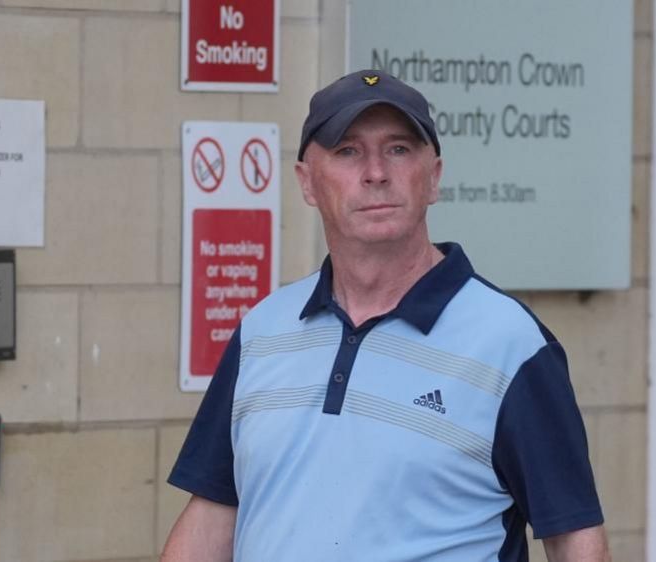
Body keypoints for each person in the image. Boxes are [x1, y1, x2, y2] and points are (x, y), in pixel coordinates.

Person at [161, 70, 610, 562]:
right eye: (348, 151)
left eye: (398, 149)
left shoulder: (511, 344)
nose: (376, 172)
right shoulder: (262, 331)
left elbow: (576, 543)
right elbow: (210, 520)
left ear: (434, 177)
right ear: (307, 182)